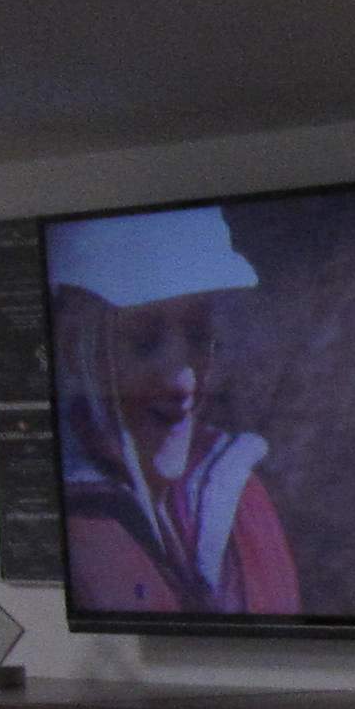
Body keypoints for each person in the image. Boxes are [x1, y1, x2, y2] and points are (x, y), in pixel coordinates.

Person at [50, 204, 300, 615]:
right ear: (77, 353)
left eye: (199, 336)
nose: (185, 381)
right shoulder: (73, 521)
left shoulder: (241, 495)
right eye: (144, 343)